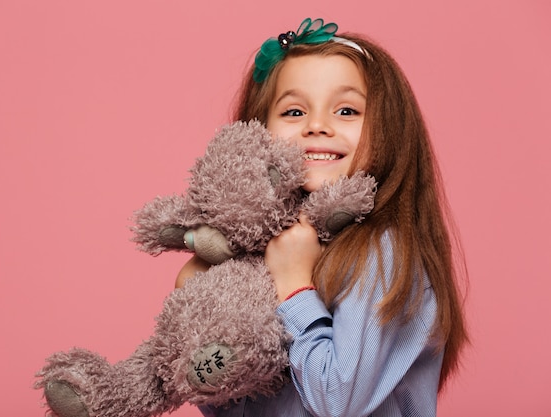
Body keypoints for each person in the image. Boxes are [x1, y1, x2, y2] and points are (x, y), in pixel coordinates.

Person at [176, 17, 468, 417]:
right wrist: (200, 318)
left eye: (346, 110)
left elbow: (337, 402)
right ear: (256, 131)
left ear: (390, 132)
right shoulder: (266, 253)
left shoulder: (383, 254)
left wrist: (294, 287)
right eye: (294, 112)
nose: (316, 126)